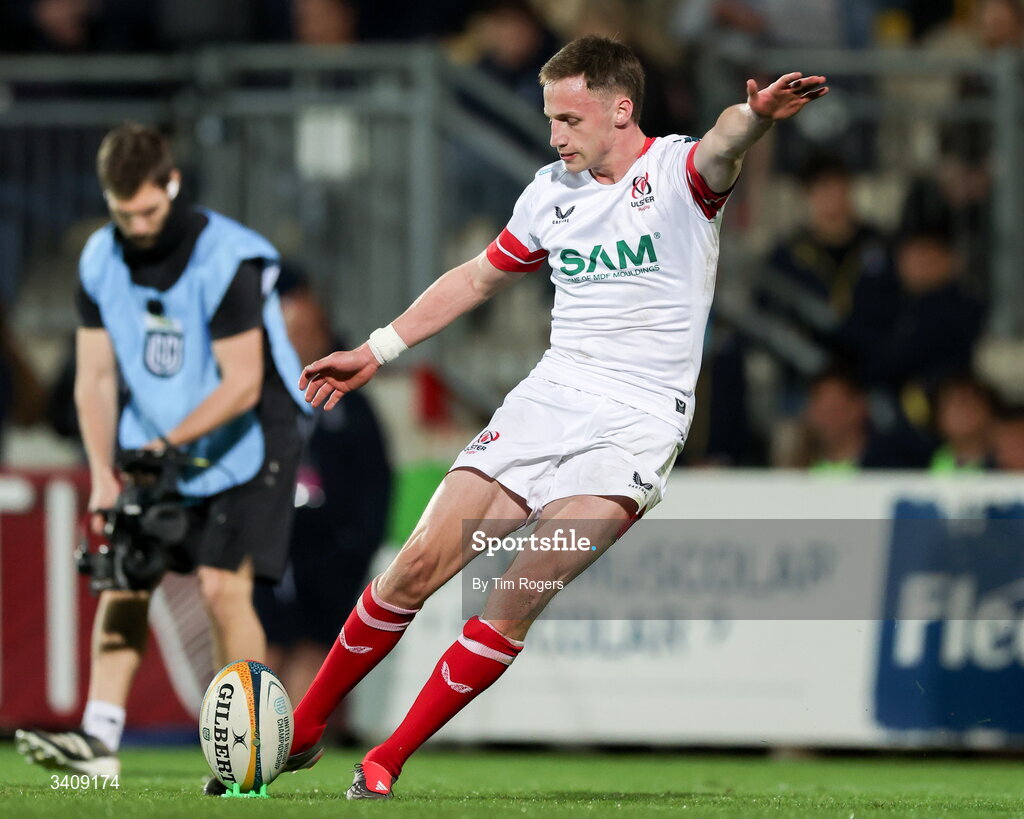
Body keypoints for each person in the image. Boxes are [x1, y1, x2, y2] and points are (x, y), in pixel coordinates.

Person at [289, 36, 828, 799]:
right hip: (548, 402)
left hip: (636, 428)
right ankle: (304, 727)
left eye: (569, 119)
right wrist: (378, 349)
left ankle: (387, 756)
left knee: (516, 589)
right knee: (414, 567)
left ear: (620, 109)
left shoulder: (677, 174)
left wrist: (757, 114)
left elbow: (725, 143)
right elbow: (478, 277)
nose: (555, 136)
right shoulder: (550, 190)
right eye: (550, 118)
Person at [15, 123, 310, 778]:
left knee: (220, 587)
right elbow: (94, 377)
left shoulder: (227, 258)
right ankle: (98, 742)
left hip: (248, 434)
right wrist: (100, 471)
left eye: (148, 210)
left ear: (172, 185)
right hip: (160, 432)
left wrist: (161, 443)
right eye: (124, 213)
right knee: (126, 569)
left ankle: (252, 751)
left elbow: (243, 383)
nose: (138, 225)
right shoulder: (98, 257)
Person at [254, 274, 392, 731]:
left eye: (312, 331)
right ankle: (247, 743)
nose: (304, 343)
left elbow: (375, 486)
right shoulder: (254, 402)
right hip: (268, 549)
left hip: (329, 554)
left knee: (318, 655)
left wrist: (355, 548)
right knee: (262, 649)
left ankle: (300, 743)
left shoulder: (353, 411)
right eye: (292, 333)